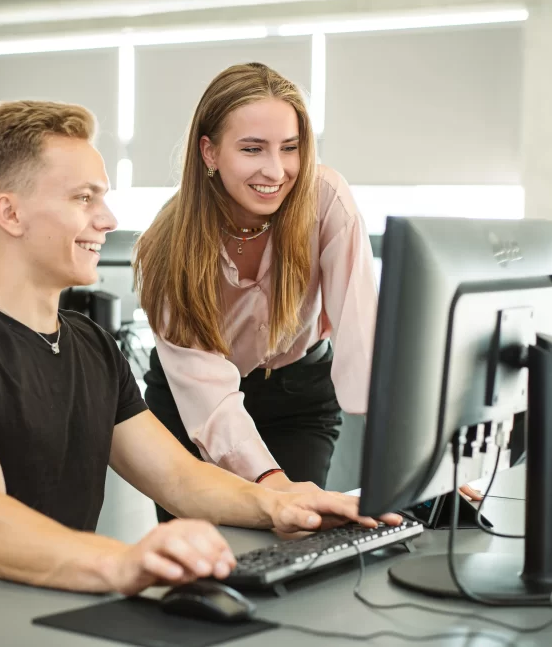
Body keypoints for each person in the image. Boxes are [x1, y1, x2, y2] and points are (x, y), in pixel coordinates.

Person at [0, 99, 401, 602]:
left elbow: (178, 478)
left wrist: (285, 504)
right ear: (10, 213)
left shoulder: (90, 347)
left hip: (62, 608)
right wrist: (123, 563)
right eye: (83, 198)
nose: (107, 220)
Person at [134, 63, 480, 521]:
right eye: (252, 149)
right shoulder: (169, 244)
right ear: (210, 152)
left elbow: (362, 340)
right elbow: (210, 399)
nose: (275, 170)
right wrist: (269, 485)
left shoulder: (324, 200)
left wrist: (423, 459)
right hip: (192, 405)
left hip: (298, 395)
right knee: (206, 554)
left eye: (290, 148)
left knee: (297, 532)